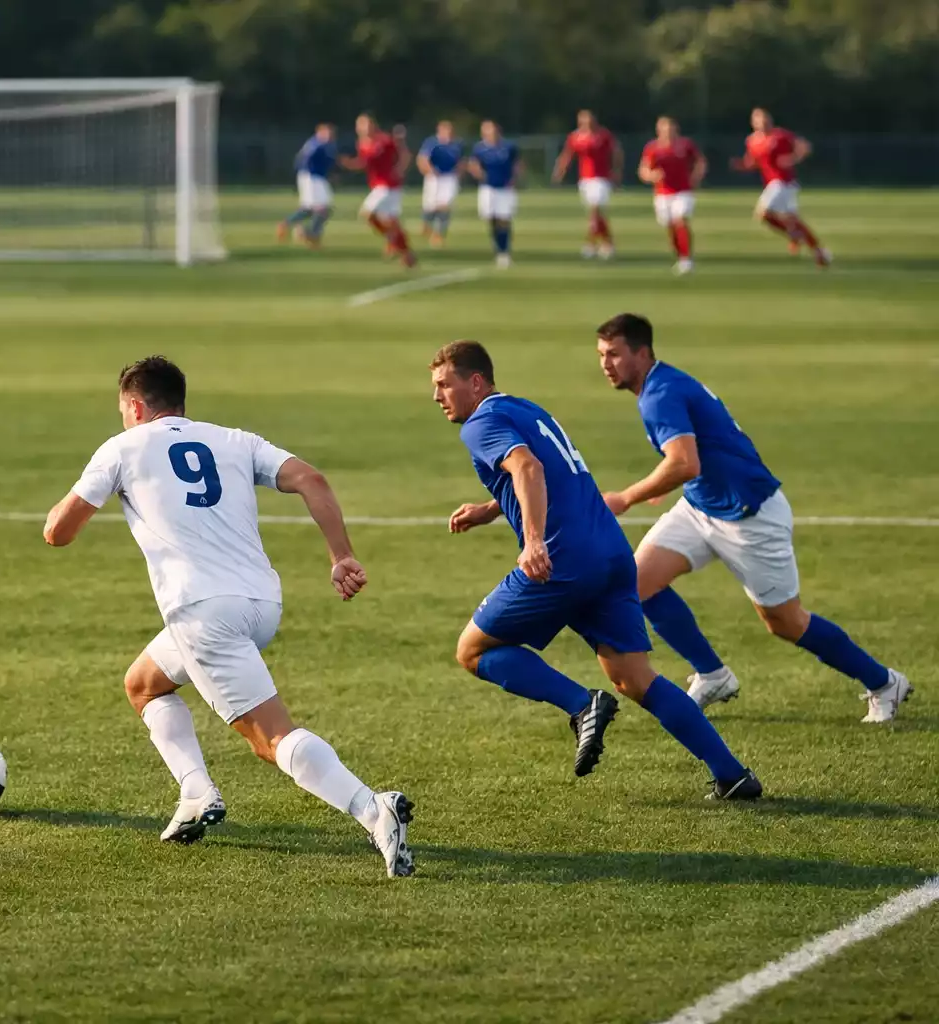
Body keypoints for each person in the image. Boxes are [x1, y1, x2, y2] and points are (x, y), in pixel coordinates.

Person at [42, 356, 416, 877]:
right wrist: (341, 556)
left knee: (271, 740)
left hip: (202, 610)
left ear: (133, 405)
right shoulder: (235, 440)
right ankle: (196, 792)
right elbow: (312, 478)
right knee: (144, 684)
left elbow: (58, 532)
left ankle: (372, 809)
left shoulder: (122, 447)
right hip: (260, 603)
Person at [431, 340, 762, 800]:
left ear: (476, 382)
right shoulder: (526, 409)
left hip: (564, 557)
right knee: (635, 679)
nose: (437, 396)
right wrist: (490, 510)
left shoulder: (480, 423)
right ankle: (733, 775)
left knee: (472, 651)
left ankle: (580, 704)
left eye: (444, 384)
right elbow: (546, 469)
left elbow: (526, 468)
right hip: (609, 551)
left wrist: (531, 541)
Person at [594, 313, 910, 722]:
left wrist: (627, 497)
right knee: (636, 584)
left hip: (750, 515)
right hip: (702, 506)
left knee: (785, 622)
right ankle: (712, 675)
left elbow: (684, 463)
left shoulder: (660, 394)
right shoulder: (660, 385)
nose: (605, 363)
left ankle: (885, 683)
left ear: (642, 352)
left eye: (614, 354)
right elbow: (692, 461)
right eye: (601, 354)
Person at [731, 108, 830, 267]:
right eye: (758, 120)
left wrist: (792, 158)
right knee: (792, 219)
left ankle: (795, 236)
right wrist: (742, 166)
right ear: (753, 123)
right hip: (773, 183)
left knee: (762, 212)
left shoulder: (781, 135)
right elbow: (754, 162)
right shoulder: (752, 141)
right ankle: (819, 251)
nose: (762, 122)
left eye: (764, 118)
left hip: (784, 182)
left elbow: (804, 147)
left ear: (770, 120)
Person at [338, 114, 417, 267]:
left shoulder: (384, 140)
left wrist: (400, 169)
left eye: (366, 125)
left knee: (367, 213)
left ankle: (393, 242)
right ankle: (406, 254)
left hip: (388, 185)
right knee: (392, 222)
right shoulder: (362, 143)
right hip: (380, 185)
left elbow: (405, 154)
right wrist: (349, 164)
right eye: (360, 125)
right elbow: (364, 163)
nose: (363, 129)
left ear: (374, 126)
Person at [639, 117, 706, 275]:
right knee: (670, 227)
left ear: (676, 129)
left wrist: (696, 177)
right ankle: (680, 255)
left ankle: (686, 259)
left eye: (670, 128)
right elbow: (643, 170)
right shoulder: (652, 148)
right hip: (662, 193)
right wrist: (652, 175)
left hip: (683, 191)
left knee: (680, 220)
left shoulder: (686, 145)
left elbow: (700, 162)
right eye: (664, 128)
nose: (667, 131)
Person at [552, 109, 621, 259]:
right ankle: (607, 243)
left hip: (602, 178)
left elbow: (616, 152)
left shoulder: (603, 135)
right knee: (596, 214)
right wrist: (560, 171)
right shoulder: (575, 137)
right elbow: (567, 155)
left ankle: (590, 245)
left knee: (595, 211)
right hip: (585, 179)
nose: (586, 122)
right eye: (583, 120)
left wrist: (616, 172)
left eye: (589, 119)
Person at [466, 121, 520, 269]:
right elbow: (473, 163)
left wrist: (515, 178)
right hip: (488, 188)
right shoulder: (480, 148)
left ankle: (504, 252)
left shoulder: (508, 147)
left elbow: (517, 164)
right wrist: (479, 174)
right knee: (491, 218)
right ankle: (498, 246)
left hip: (505, 188)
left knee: (504, 219)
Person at [278, 123, 338, 248]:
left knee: (311, 208)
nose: (330, 136)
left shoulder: (317, 144)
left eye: (331, 134)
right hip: (312, 178)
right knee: (322, 208)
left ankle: (290, 225)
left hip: (313, 178)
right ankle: (311, 235)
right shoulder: (317, 145)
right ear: (319, 132)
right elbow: (305, 160)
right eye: (327, 133)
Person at [417, 120, 464, 247]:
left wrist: (459, 174)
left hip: (449, 178)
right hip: (434, 177)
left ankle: (438, 234)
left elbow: (460, 162)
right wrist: (428, 170)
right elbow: (422, 158)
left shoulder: (457, 144)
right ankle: (427, 224)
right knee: (430, 205)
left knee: (445, 205)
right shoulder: (431, 143)